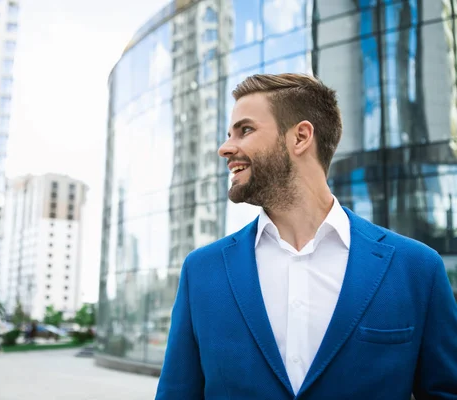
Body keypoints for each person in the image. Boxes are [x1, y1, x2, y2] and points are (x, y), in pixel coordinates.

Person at [155, 73, 457, 399]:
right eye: (230, 134)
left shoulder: (416, 269)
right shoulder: (201, 271)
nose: (225, 148)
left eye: (245, 130)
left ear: (300, 137)